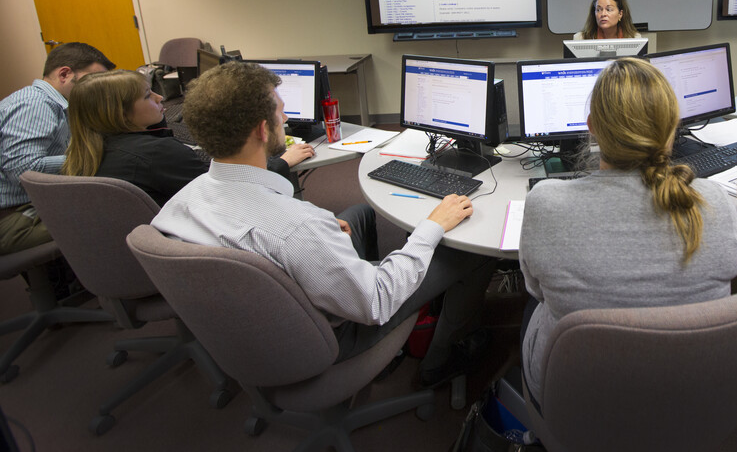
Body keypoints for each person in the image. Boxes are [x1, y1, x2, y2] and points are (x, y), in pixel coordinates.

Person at [151, 61, 495, 386]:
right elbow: (376, 301)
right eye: (279, 110)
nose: (285, 116)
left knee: (358, 214)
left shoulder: (181, 202)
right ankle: (439, 363)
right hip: (331, 339)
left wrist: (323, 232)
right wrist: (432, 226)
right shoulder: (298, 229)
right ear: (261, 130)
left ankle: (368, 275)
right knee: (466, 250)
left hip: (251, 329)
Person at [519, 58, 737, 405]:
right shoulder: (712, 201)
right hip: (688, 394)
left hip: (574, 399)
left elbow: (535, 289)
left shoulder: (544, 203)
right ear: (673, 126)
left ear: (591, 126)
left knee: (533, 307)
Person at [61, 70, 316, 206]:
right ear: (120, 113)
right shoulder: (155, 155)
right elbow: (231, 185)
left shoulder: (87, 148)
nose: (161, 99)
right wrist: (283, 161)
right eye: (148, 96)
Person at [0, 42, 113, 254]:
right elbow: (23, 170)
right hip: (12, 217)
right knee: (112, 215)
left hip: (26, 207)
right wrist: (96, 156)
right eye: (93, 80)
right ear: (64, 74)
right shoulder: (34, 104)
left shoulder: (56, 104)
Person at [573, 0, 640, 40]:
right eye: (599, 10)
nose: (603, 14)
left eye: (609, 9)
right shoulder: (580, 39)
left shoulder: (634, 38)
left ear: (620, 14)